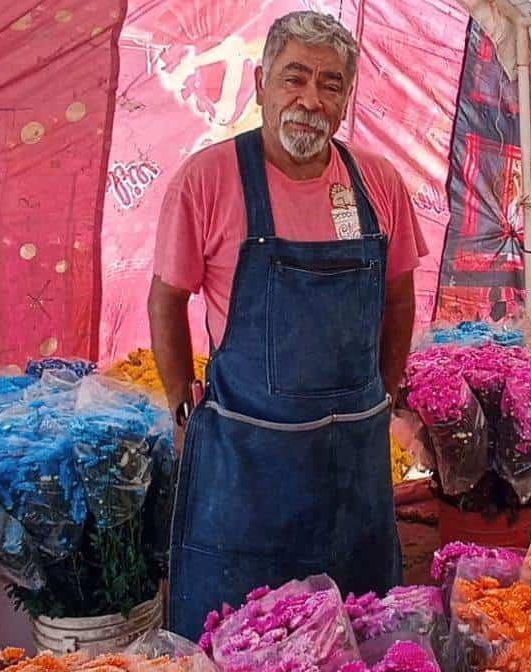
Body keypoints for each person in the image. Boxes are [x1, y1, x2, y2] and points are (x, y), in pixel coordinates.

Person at [148, 10, 426, 639]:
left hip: (352, 464)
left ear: (347, 98)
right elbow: (167, 301)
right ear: (260, 82)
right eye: (294, 78)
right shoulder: (208, 180)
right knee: (239, 647)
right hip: (250, 465)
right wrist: (179, 405)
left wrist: (382, 392)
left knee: (354, 642)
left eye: (331, 84)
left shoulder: (377, 183)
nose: (310, 99)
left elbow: (399, 298)